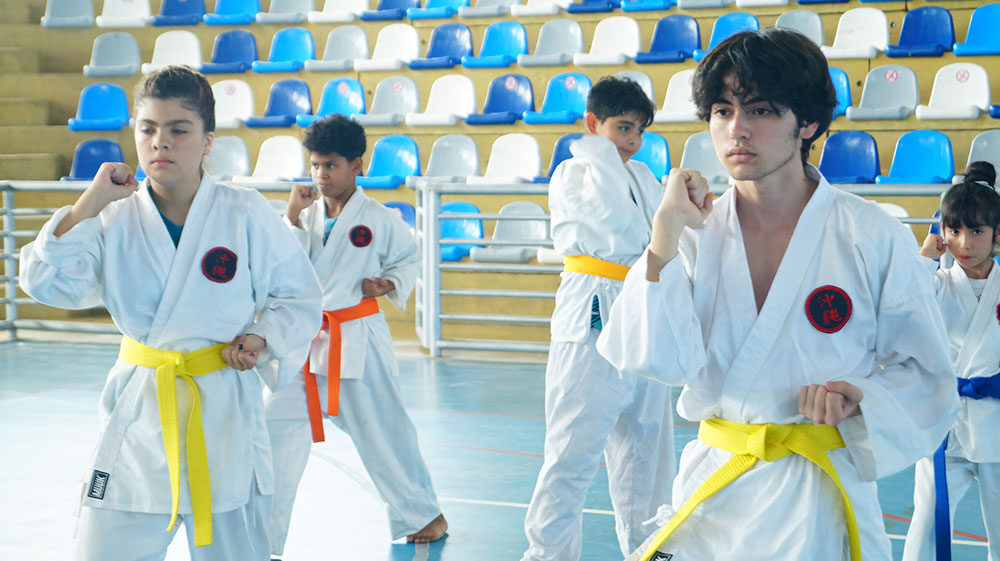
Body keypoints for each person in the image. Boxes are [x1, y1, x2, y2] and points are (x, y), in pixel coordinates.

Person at [595, 29, 958, 561]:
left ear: (807, 123)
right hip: (718, 493)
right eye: (722, 110)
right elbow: (654, 359)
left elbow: (929, 376)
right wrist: (662, 239)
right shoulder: (693, 234)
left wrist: (861, 398)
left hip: (818, 500)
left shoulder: (871, 234)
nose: (737, 129)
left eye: (761, 110)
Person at [18, 65, 322, 560]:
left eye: (179, 130)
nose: (160, 142)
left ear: (207, 141)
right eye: (148, 129)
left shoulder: (244, 212)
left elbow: (299, 298)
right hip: (139, 414)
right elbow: (44, 282)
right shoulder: (110, 216)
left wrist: (261, 338)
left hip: (223, 411)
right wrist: (89, 202)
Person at [263, 115, 446, 559]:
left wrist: (388, 283)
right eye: (315, 165)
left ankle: (423, 515)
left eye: (331, 166)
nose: (320, 175)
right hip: (304, 339)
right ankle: (261, 534)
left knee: (383, 429)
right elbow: (283, 264)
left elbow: (408, 258)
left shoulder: (380, 219)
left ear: (356, 165)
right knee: (272, 431)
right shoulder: (304, 213)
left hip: (356, 337)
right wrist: (291, 216)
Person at [520, 76, 675, 561]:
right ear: (592, 123)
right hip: (592, 312)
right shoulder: (573, 171)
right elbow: (612, 221)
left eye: (640, 131)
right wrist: (598, 150)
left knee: (646, 450)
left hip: (644, 308)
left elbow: (670, 240)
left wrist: (684, 199)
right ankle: (547, 554)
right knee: (572, 449)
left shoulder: (644, 177)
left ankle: (650, 550)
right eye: (622, 127)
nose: (632, 141)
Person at [902, 163, 1000, 561]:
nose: (964, 243)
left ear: (997, 234)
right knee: (927, 520)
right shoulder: (935, 283)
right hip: (945, 422)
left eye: (976, 231)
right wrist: (925, 257)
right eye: (954, 230)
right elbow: (900, 304)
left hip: (996, 424)